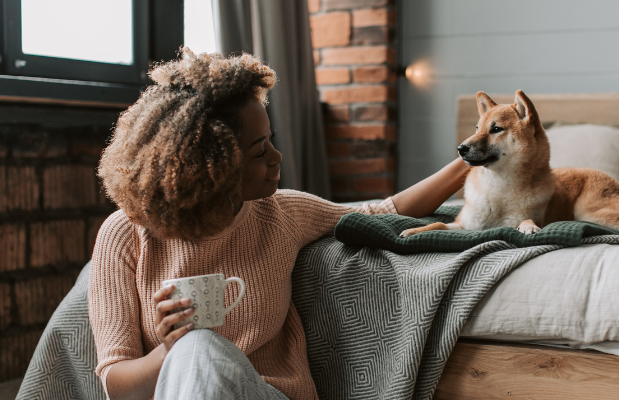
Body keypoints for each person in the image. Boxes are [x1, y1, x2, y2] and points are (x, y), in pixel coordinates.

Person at [88, 48, 469, 400]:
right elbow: (117, 387)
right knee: (195, 350)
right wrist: (169, 350)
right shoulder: (124, 237)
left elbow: (383, 212)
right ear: (211, 165)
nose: (277, 156)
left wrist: (470, 161)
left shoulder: (281, 214)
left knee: (197, 349)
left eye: (270, 140)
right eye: (259, 151)